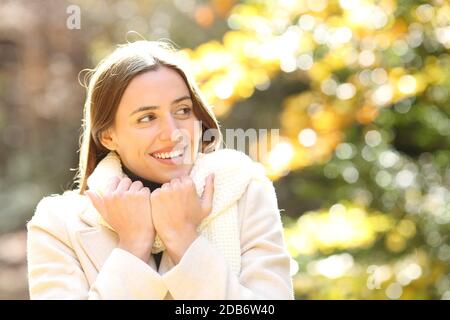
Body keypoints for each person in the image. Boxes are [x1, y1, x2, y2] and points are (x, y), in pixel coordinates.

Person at [26, 40, 295, 300]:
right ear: (108, 136)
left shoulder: (244, 191)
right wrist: (133, 245)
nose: (173, 133)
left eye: (182, 110)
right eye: (147, 118)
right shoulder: (57, 226)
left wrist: (185, 240)